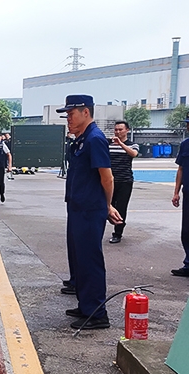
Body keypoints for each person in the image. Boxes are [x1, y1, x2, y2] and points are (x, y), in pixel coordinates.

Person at [57, 95, 123, 329]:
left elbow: (107, 178)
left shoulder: (95, 139)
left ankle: (97, 313)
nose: (68, 119)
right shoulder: (81, 140)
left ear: (86, 112)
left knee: (90, 260)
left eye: (71, 114)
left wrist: (107, 206)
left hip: (89, 210)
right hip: (78, 208)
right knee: (79, 259)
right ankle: (86, 305)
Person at [108, 121, 139, 244]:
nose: (118, 132)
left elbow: (133, 154)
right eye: (116, 130)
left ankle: (117, 233)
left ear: (127, 130)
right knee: (104, 206)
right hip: (110, 181)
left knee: (121, 208)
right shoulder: (108, 144)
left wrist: (120, 144)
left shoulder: (133, 145)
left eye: (120, 129)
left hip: (125, 181)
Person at [171, 114, 189, 277]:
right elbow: (181, 169)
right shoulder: (185, 145)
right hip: (188, 193)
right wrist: (176, 192)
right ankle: (188, 264)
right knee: (187, 231)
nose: (187, 127)